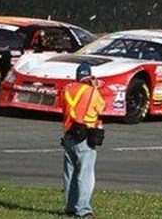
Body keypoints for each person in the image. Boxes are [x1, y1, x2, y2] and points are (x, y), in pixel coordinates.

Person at [59, 62, 106, 218]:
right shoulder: (91, 91)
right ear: (89, 76)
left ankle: (70, 207)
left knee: (70, 173)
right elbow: (101, 107)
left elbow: (62, 104)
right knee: (84, 174)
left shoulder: (66, 89)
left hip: (68, 134)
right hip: (85, 137)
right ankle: (83, 209)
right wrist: (96, 87)